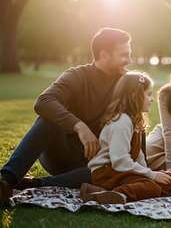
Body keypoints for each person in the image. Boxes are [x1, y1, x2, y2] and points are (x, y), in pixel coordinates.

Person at [0, 28, 131, 205]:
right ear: (104, 55)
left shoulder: (127, 83)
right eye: (124, 55)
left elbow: (136, 126)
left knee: (114, 169)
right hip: (60, 153)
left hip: (93, 164)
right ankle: (6, 181)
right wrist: (80, 126)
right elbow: (43, 102)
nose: (129, 60)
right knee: (47, 120)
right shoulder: (77, 75)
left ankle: (36, 183)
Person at [80, 71, 171, 204]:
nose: (152, 99)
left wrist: (148, 173)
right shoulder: (122, 122)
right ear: (134, 97)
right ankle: (117, 194)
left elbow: (138, 156)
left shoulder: (134, 120)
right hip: (107, 172)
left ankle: (99, 190)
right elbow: (119, 161)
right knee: (152, 187)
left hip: (120, 170)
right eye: (149, 95)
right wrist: (151, 176)